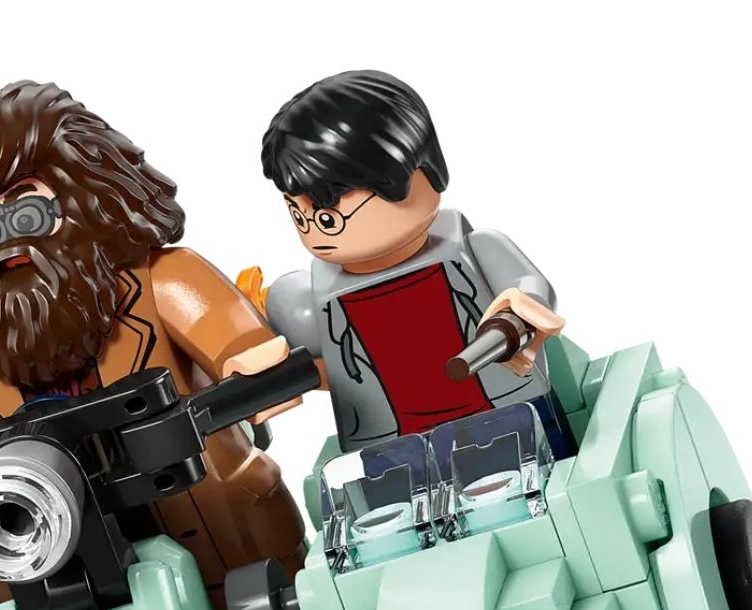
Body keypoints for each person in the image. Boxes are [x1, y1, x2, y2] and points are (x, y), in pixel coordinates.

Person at [0, 80, 305, 610]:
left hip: (222, 535)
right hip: (56, 574)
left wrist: (248, 360)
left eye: (28, 214)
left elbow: (220, 325)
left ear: (84, 196)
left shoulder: (161, 281)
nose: (9, 243)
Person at [235, 69, 573, 457]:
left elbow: (530, 292)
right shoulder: (311, 297)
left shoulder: (478, 250)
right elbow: (331, 374)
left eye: (328, 216)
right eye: (299, 215)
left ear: (419, 176)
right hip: (394, 447)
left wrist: (515, 315)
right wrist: (267, 378)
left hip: (507, 417)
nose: (315, 230)